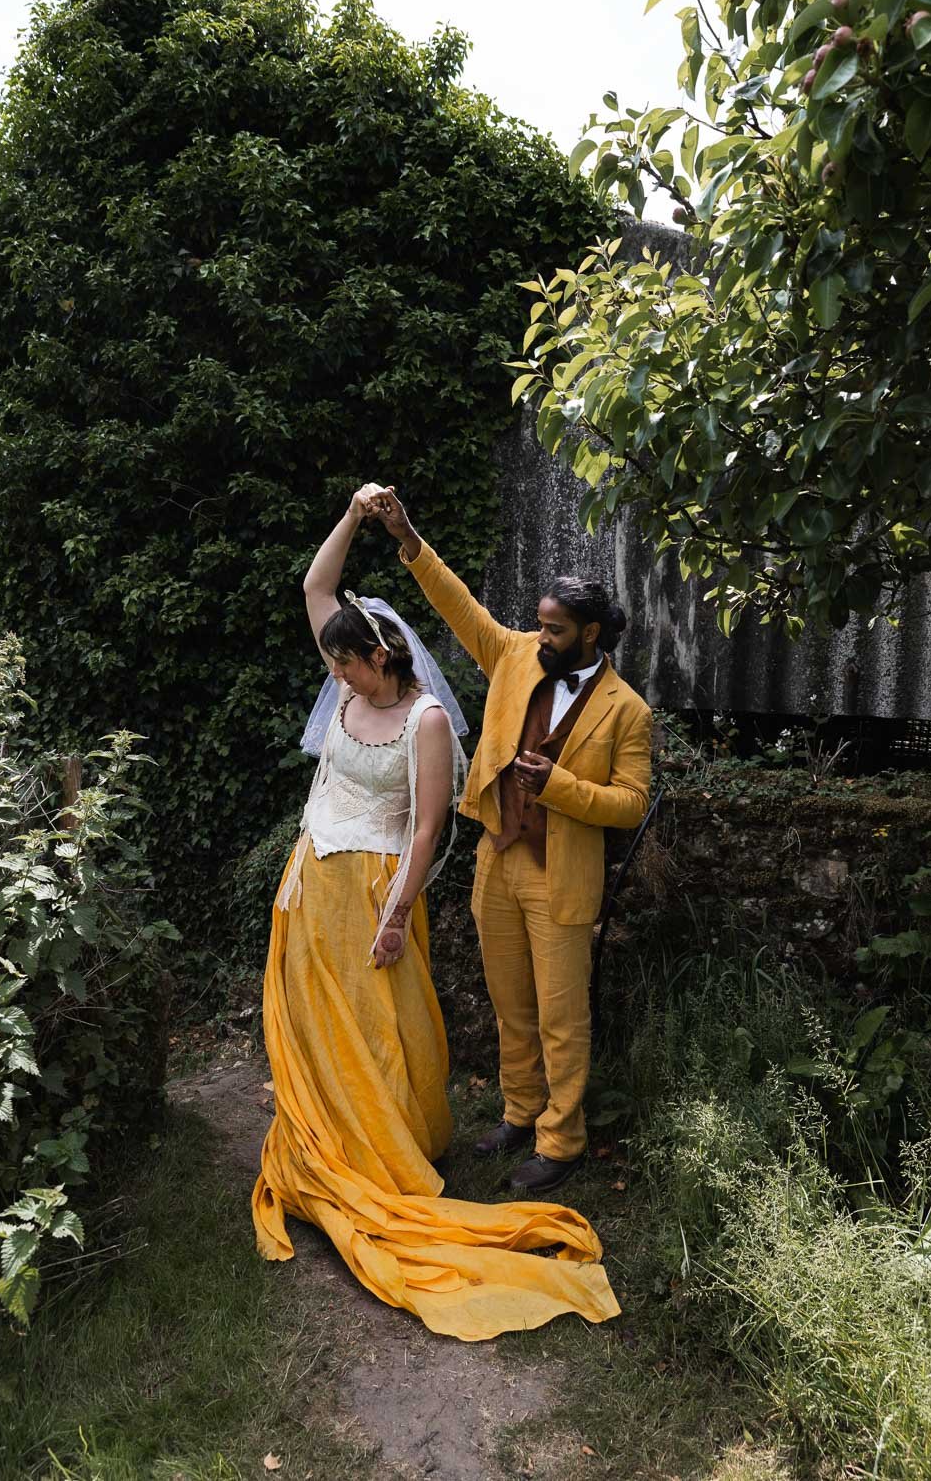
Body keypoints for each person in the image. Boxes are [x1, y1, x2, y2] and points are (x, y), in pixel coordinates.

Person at [251, 485, 620, 1341]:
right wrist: (372, 524)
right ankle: (474, 1120)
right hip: (390, 872)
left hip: (462, 881)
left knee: (476, 1019)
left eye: (348, 662)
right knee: (441, 1013)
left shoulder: (447, 720)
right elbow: (356, 592)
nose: (335, 672)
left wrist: (394, 913)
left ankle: (519, 1143)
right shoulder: (422, 668)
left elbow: (434, 826)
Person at [366, 486, 652, 1195]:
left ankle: (562, 1138)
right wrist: (408, 538)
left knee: (560, 1015)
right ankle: (520, 1111)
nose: (540, 635)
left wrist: (557, 787)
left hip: (563, 875)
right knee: (511, 1005)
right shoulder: (515, 656)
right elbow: (457, 605)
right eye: (539, 624)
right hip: (499, 858)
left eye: (554, 629)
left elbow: (631, 805)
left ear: (590, 634)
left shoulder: (629, 712)